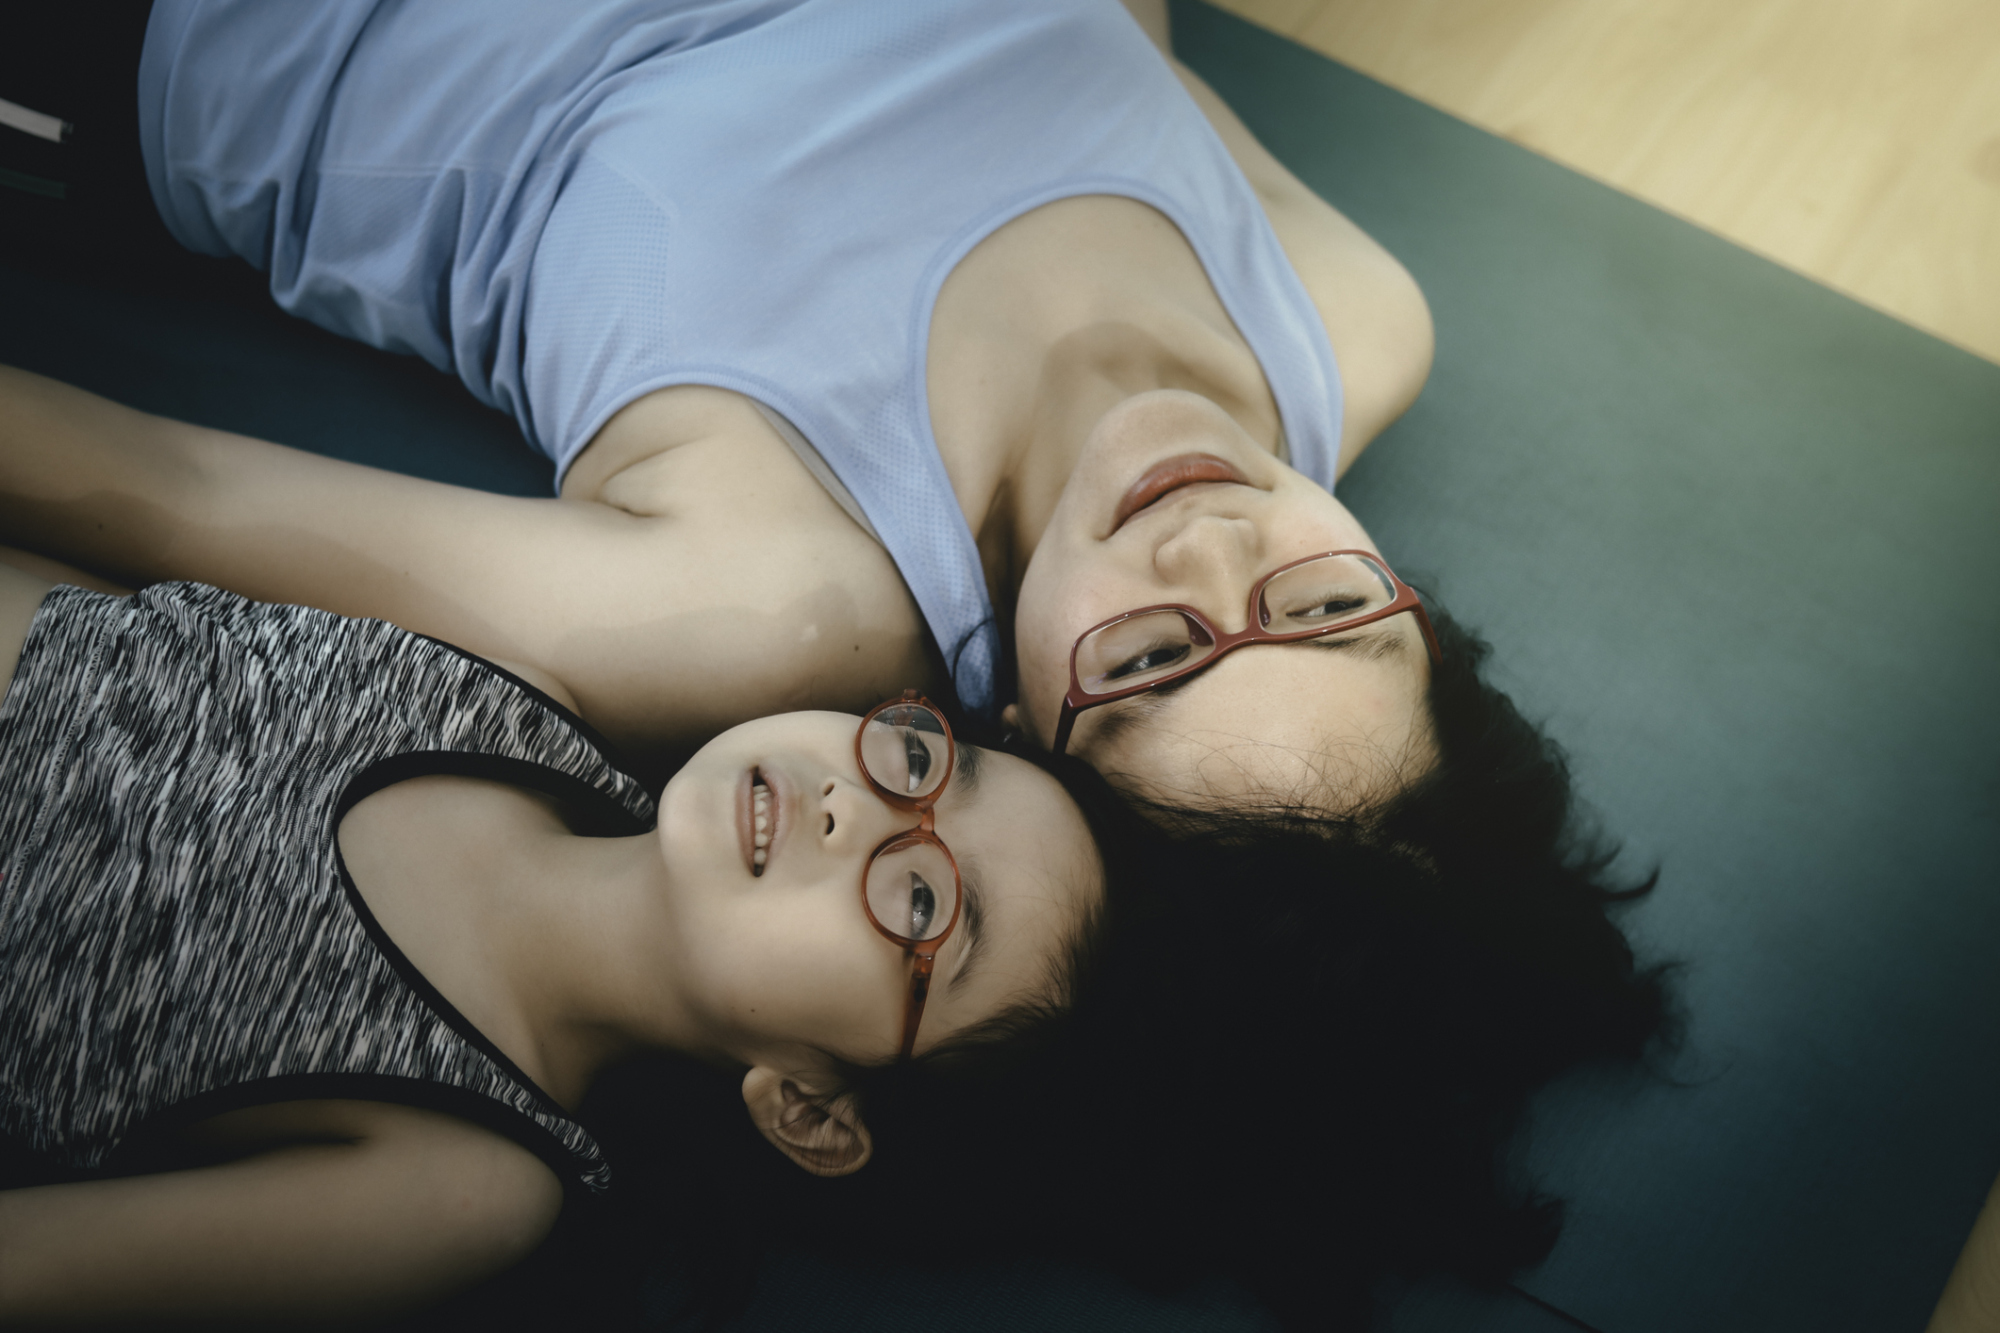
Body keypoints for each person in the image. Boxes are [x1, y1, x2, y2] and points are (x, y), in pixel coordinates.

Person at [0, 0, 1442, 820]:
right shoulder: (1349, 315)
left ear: (1020, 722)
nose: (1211, 555)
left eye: (1155, 657)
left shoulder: (778, 596)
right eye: (1323, 612)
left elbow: (173, 484)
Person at [0, 555, 1114, 1325]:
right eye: (920, 766)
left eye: (923, 906)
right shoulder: (497, 702)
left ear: (812, 1113)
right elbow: (98, 619)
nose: (858, 806)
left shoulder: (471, 1182)